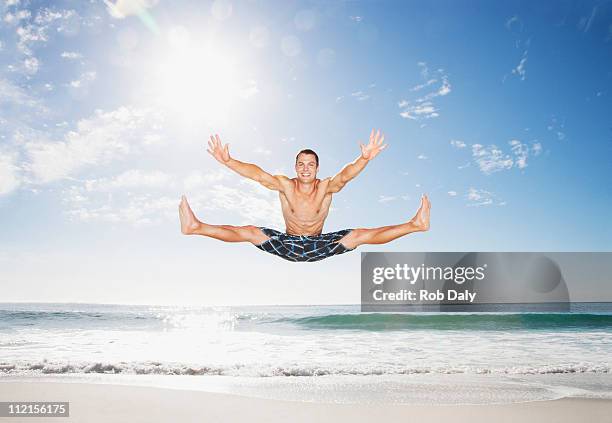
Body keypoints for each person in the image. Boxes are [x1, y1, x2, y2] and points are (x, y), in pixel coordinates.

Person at [178, 129, 431, 262]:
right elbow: (257, 174)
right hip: (287, 244)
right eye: (301, 164)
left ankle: (415, 225)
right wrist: (228, 161)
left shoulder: (326, 187)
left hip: (319, 245)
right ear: (295, 167)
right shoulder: (285, 186)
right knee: (249, 231)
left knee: (360, 235)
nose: (306, 168)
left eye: (310, 164)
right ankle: (195, 227)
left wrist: (364, 158)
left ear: (317, 168)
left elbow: (346, 175)